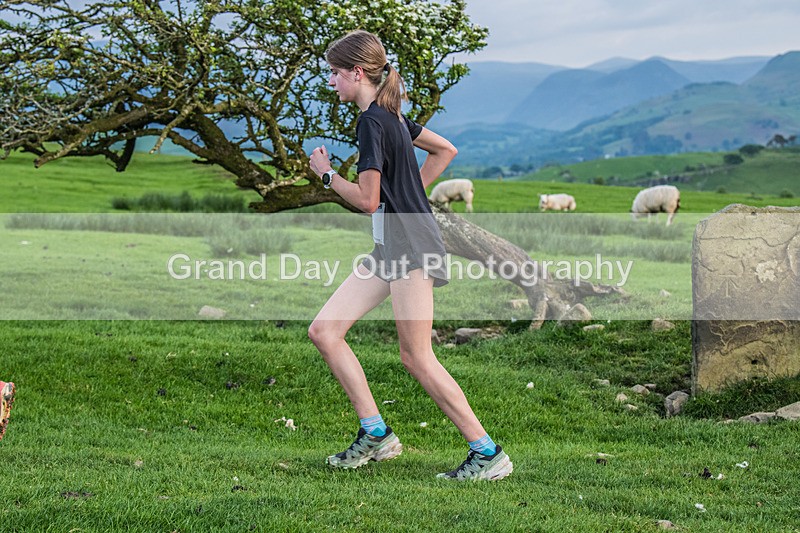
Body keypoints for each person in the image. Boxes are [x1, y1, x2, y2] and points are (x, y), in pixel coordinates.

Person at [307, 30, 512, 481]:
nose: (331, 82)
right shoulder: (393, 115)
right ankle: (376, 434)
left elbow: (367, 200)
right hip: (391, 246)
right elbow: (445, 150)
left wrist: (326, 175)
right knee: (325, 331)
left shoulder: (373, 122)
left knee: (416, 357)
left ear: (356, 72)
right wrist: (409, 193)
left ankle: (487, 453)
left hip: (411, 248)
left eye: (334, 73)